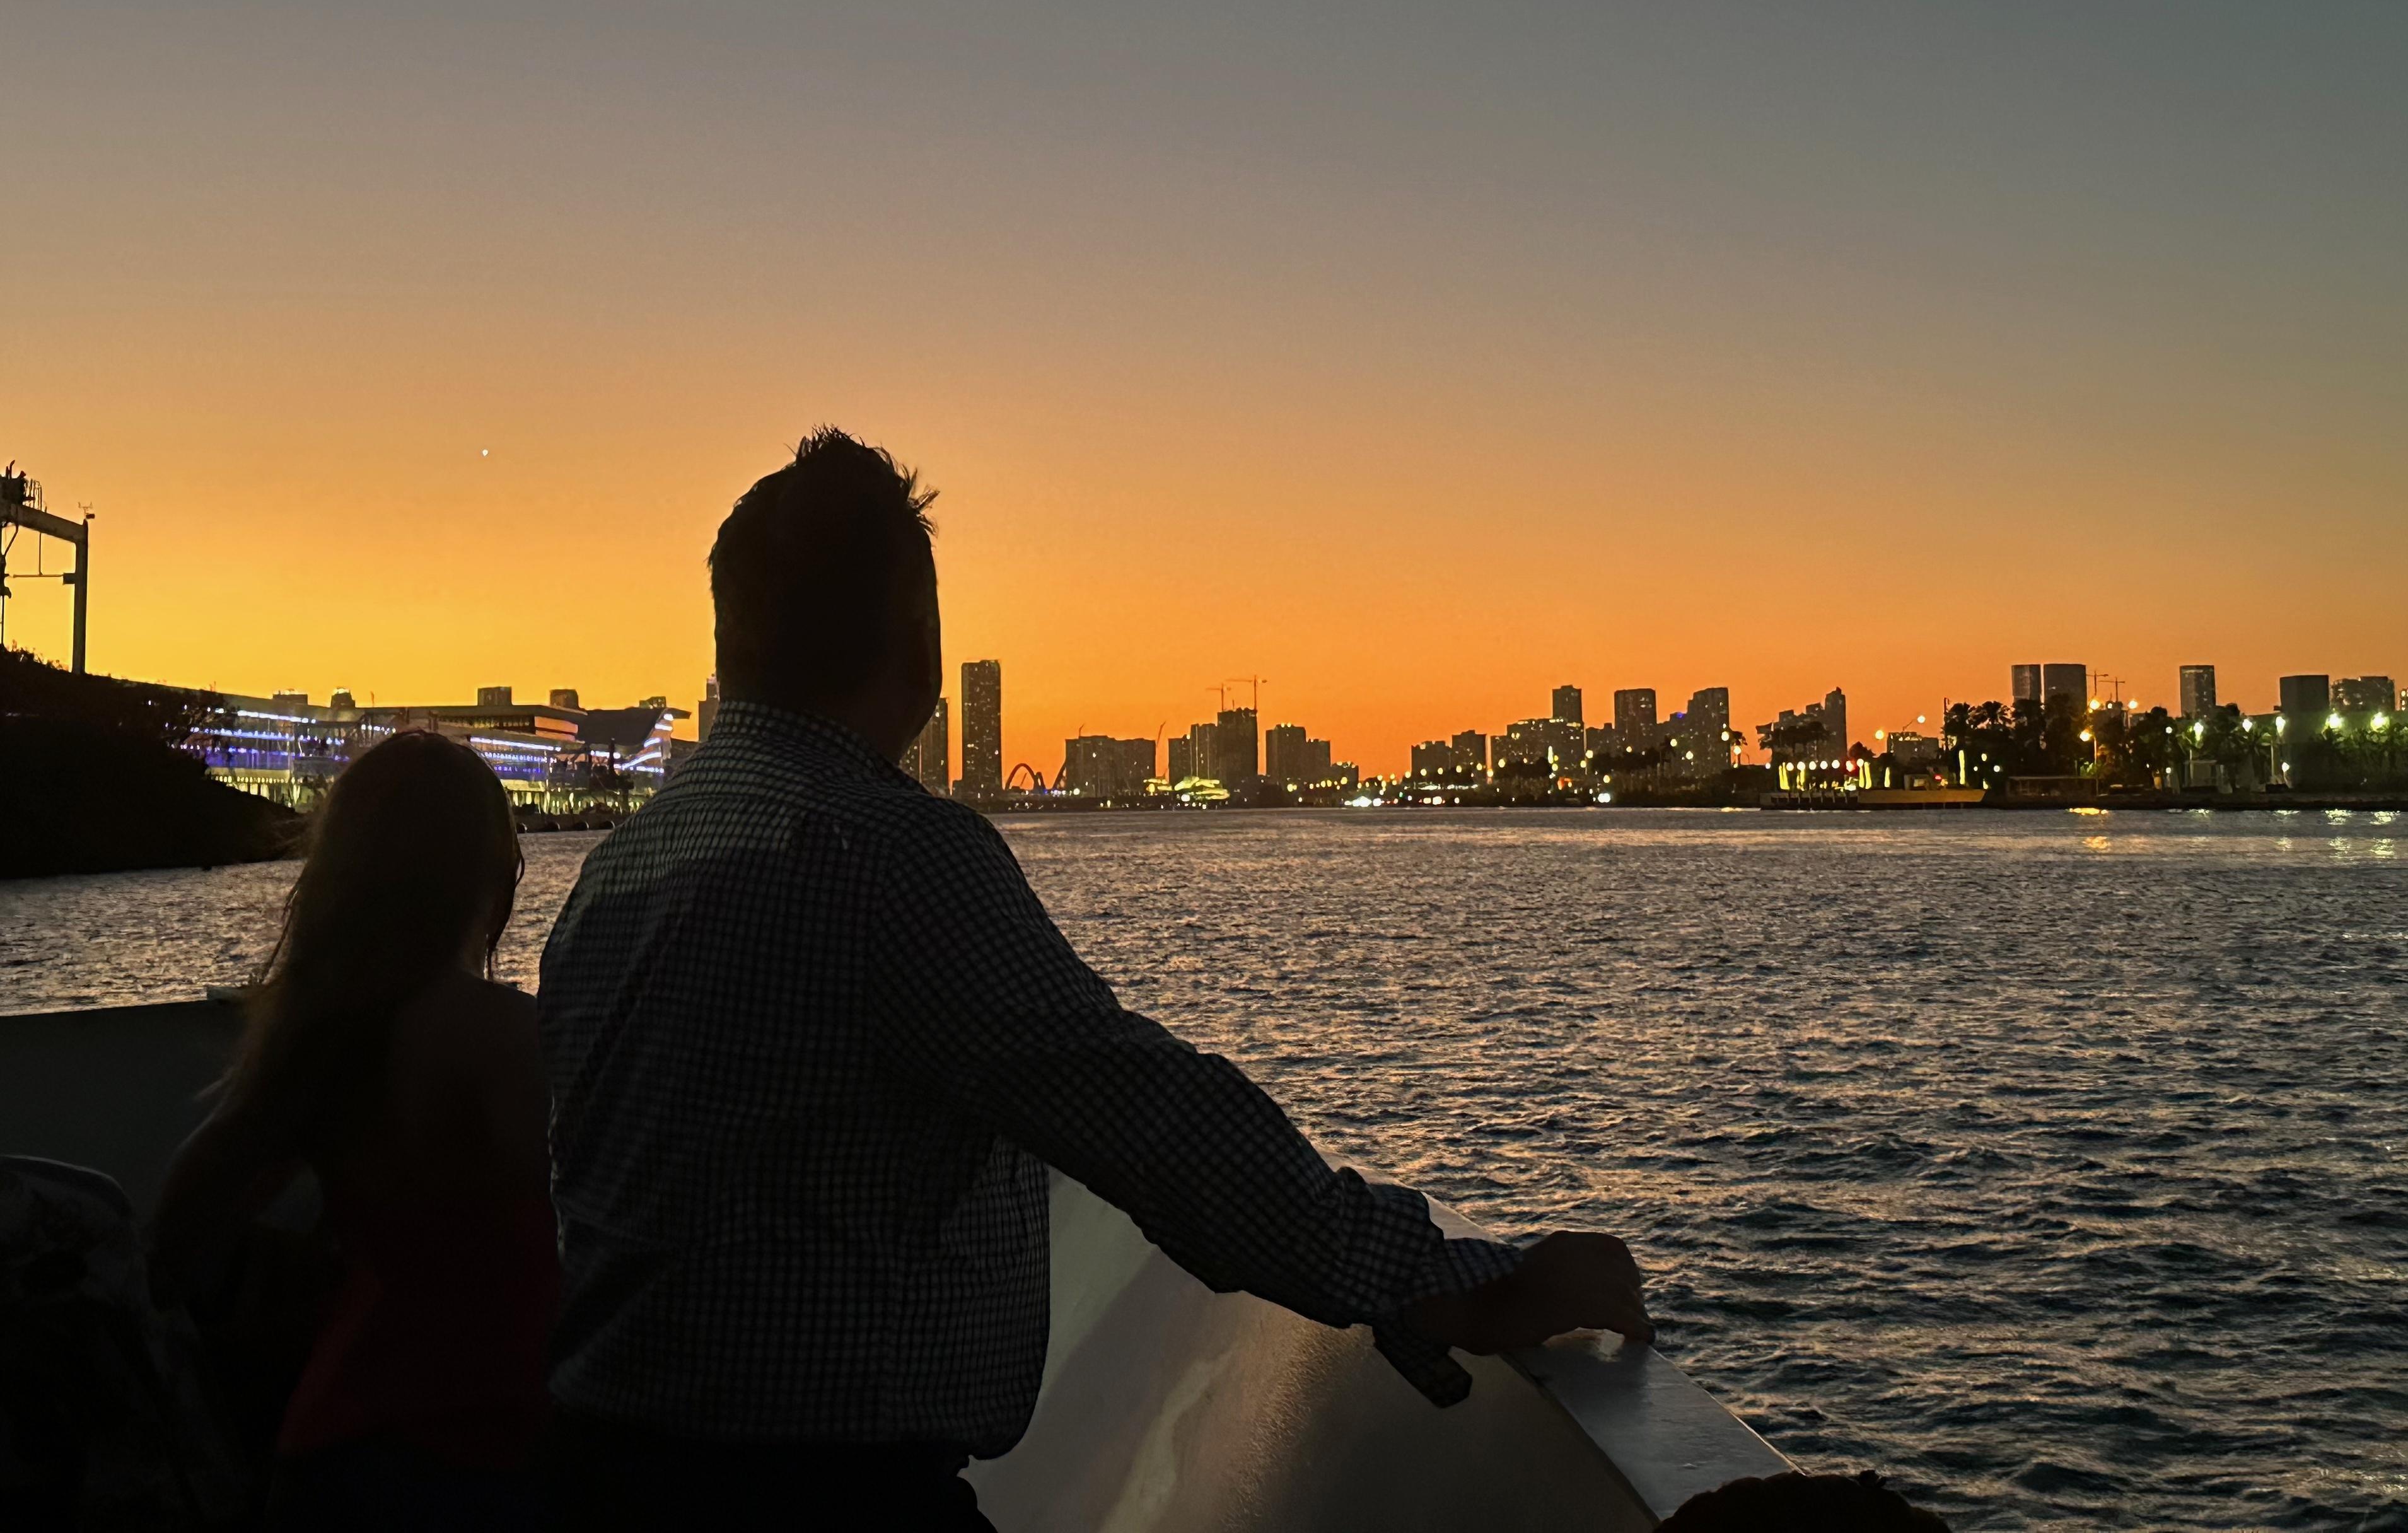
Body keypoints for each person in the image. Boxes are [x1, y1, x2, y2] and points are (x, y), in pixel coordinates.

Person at [538, 429, 1653, 1529]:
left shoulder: (617, 870)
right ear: (917, 636)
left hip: (595, 1474)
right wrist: (1455, 1280)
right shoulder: (893, 852)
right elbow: (1157, 1125)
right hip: (812, 1500)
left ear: (732, 641)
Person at [149, 731, 555, 1530]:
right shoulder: (504, 1035)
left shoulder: (318, 1040)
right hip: (481, 1451)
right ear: (491, 871)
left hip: (333, 1445)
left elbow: (174, 1241)